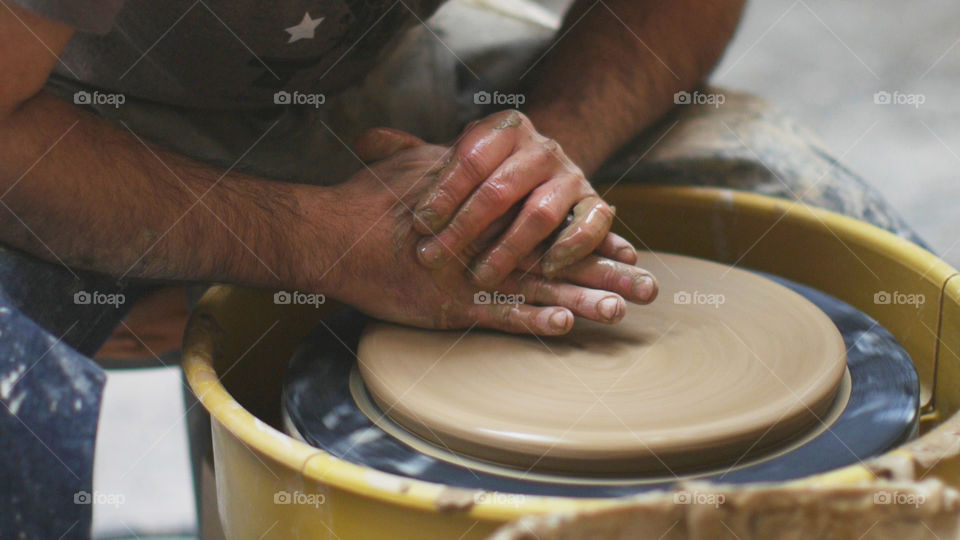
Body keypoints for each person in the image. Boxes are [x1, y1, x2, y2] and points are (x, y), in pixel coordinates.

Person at [1, 0, 923, 537]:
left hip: (371, 78)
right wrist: (317, 240)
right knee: (33, 442)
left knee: (803, 203)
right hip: (64, 118)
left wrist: (525, 172)